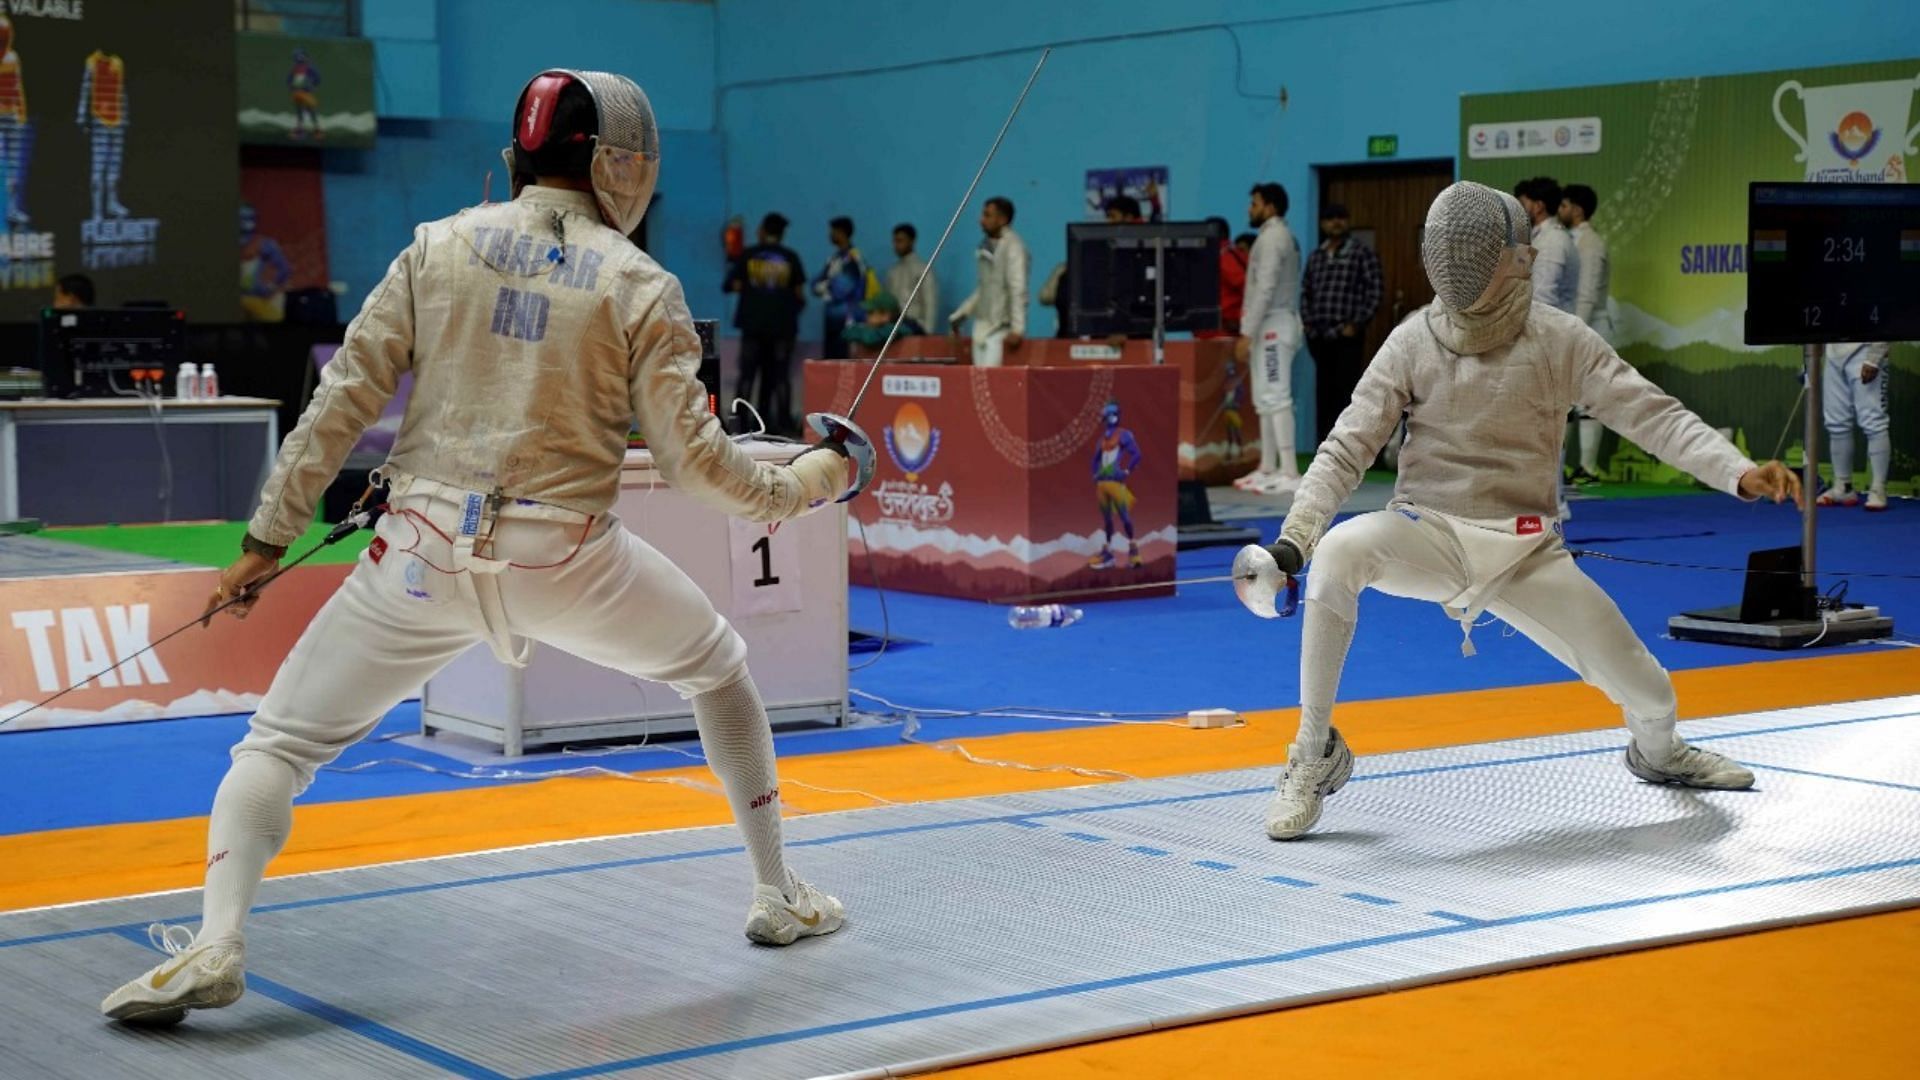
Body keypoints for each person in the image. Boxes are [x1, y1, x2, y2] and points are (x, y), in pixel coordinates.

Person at [102, 69, 865, 1026]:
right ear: (623, 166)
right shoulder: (642, 285)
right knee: (719, 671)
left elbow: (338, 408)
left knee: (278, 746)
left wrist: (264, 542)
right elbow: (699, 468)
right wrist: (815, 478)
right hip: (568, 561)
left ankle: (217, 941)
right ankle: (776, 894)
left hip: (416, 556)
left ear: (524, 156)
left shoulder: (437, 247)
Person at [1255, 181, 1801, 841]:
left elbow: (1649, 414)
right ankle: (1314, 751)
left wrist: (1736, 471)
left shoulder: (1558, 339)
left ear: (1513, 256)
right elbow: (1346, 448)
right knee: (1341, 552)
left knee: (1653, 695)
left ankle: (1658, 755)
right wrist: (1296, 540)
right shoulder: (1412, 342)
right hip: (1427, 534)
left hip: (1525, 552)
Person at [1233, 182, 1304, 495]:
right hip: (1268, 326)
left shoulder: (1275, 237)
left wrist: (1247, 331)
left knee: (1276, 396)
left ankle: (1289, 470)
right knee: (1264, 398)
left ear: (1270, 207)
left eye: (1255, 203)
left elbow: (1266, 287)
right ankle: (1268, 466)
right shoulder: (1270, 236)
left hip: (1274, 324)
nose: (1250, 209)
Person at [1301, 203, 1384, 443]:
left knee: (1346, 393)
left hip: (1347, 335)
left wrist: (1357, 324)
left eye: (1340, 217)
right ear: (1322, 224)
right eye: (1330, 218)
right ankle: (1322, 447)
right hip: (1319, 335)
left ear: (1347, 222)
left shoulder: (1361, 253)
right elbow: (1305, 291)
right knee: (1323, 393)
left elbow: (1375, 291)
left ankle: (1345, 448)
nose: (1336, 222)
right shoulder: (1316, 256)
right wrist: (1307, 323)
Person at [724, 212, 806, 433]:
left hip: (753, 326)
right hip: (782, 328)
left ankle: (738, 423)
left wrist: (753, 292)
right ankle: (782, 425)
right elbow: (800, 295)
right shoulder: (791, 257)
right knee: (780, 377)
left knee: (747, 375)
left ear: (762, 230)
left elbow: (730, 284)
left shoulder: (749, 255)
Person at [1559, 183, 1611, 484]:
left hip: (1592, 328)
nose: (1561, 211)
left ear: (1577, 210)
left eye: (1564, 206)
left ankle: (1588, 468)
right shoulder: (1569, 240)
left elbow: (1588, 293)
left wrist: (1575, 330)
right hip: (1573, 326)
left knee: (1589, 399)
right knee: (1565, 400)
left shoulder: (1590, 244)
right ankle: (1563, 468)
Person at [949, 196, 1028, 368]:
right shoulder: (985, 247)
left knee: (993, 384)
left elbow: (1018, 289)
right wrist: (961, 315)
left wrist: (1017, 329)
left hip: (1001, 329)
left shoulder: (1014, 247)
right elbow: (983, 289)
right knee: (981, 382)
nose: (981, 220)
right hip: (982, 328)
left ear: (1003, 219)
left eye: (987, 215)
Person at [1816, 342, 1892, 511]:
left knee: (1874, 421)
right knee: (1836, 422)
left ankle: (1878, 488)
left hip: (1866, 350)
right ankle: (1843, 487)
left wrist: (1875, 356)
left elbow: (1885, 316)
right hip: (1833, 351)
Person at [1090, 400, 1144, 569]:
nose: (1107, 419)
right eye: (1106, 416)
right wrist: (1096, 474)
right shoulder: (1103, 439)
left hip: (1115, 482)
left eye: (1108, 415)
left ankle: (1134, 550)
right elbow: (1095, 459)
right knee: (1107, 519)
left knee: (1124, 516)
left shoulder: (1123, 435)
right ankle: (1109, 553)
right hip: (1103, 484)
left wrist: (1127, 471)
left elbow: (1136, 454)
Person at [1513, 177, 1576, 313]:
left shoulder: (1552, 240)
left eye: (1523, 205)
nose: (1519, 211)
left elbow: (1544, 299)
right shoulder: (1539, 237)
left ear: (1538, 207)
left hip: (1550, 328)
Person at [811, 216, 867, 360]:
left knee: (845, 366)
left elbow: (841, 289)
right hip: (832, 322)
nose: (830, 235)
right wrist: (828, 284)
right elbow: (814, 285)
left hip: (848, 321)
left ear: (842, 233)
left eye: (833, 231)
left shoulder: (853, 258)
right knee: (830, 363)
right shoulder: (834, 259)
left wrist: (826, 285)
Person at [0, 15, 32, 227]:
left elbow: (17, 86)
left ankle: (11, 210)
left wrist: (21, 112)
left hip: (11, 116)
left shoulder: (13, 58)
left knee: (12, 167)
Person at [884, 223, 938, 337]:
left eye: (900, 241)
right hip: (894, 326)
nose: (896, 245)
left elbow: (930, 302)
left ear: (912, 241)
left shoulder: (923, 268)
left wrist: (927, 332)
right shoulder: (892, 272)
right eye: (895, 241)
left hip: (916, 326)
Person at [1211, 216, 1247, 336]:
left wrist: (1239, 319)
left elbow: (1248, 288)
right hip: (1224, 328)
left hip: (1224, 331)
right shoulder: (1237, 255)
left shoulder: (1224, 258)